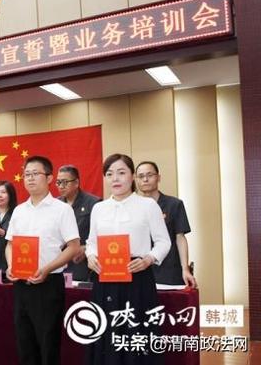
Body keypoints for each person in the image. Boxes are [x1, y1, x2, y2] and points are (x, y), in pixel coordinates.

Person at [86, 154, 171, 365]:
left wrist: (148, 259)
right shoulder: (98, 208)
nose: (115, 178)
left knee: (137, 332)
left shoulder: (148, 205)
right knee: (107, 331)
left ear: (132, 176)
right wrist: (90, 256)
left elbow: (163, 242)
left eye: (121, 173)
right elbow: (91, 242)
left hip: (137, 276)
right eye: (109, 174)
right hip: (104, 278)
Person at [5, 156, 80, 365]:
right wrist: (11, 265)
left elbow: (73, 246)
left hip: (48, 285)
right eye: (26, 174)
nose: (30, 178)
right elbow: (10, 244)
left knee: (48, 344)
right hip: (21, 284)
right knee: (25, 344)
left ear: (49, 178)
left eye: (35, 174)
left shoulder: (62, 209)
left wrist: (47, 268)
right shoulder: (19, 210)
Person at [135, 161, 197, 288]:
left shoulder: (174, 204)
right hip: (140, 269)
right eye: (141, 176)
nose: (145, 179)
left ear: (158, 177)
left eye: (150, 175)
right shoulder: (133, 207)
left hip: (169, 269)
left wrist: (185, 269)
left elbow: (180, 238)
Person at [56, 165, 100, 281]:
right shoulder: (55, 205)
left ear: (76, 183)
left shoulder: (94, 203)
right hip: (59, 264)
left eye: (65, 182)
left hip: (83, 263)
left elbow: (102, 236)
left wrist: (86, 248)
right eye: (58, 182)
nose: (61, 186)